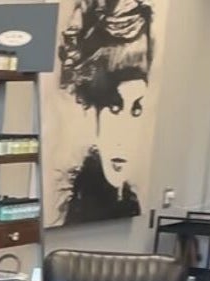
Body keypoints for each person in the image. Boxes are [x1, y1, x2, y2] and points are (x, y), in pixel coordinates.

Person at [56, 0, 154, 225]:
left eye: (136, 110)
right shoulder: (75, 204)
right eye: (114, 108)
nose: (124, 135)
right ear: (93, 110)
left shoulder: (129, 203)